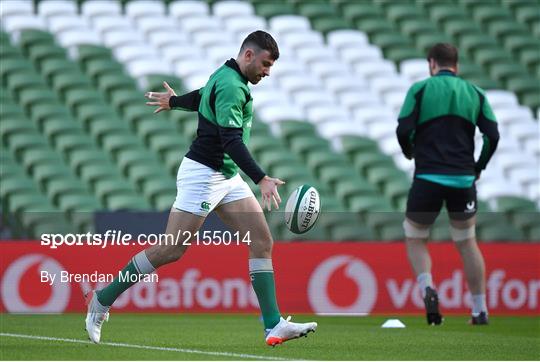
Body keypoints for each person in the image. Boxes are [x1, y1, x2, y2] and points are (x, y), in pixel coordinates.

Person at [85, 30, 317, 346]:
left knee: (262, 240)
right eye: (265, 64)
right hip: (204, 175)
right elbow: (231, 140)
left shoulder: (225, 75)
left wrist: (174, 101)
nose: (267, 72)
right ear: (248, 55)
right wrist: (260, 178)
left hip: (226, 175)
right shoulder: (233, 86)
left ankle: (273, 324)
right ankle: (102, 299)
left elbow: (202, 95)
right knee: (170, 249)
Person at [396, 43, 499, 326]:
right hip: (463, 179)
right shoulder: (475, 93)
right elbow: (492, 135)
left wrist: (410, 152)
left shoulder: (420, 90)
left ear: (432, 63)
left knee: (416, 237)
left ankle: (428, 287)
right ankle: (479, 310)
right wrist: (478, 167)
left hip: (427, 177)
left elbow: (403, 129)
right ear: (457, 65)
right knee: (467, 242)